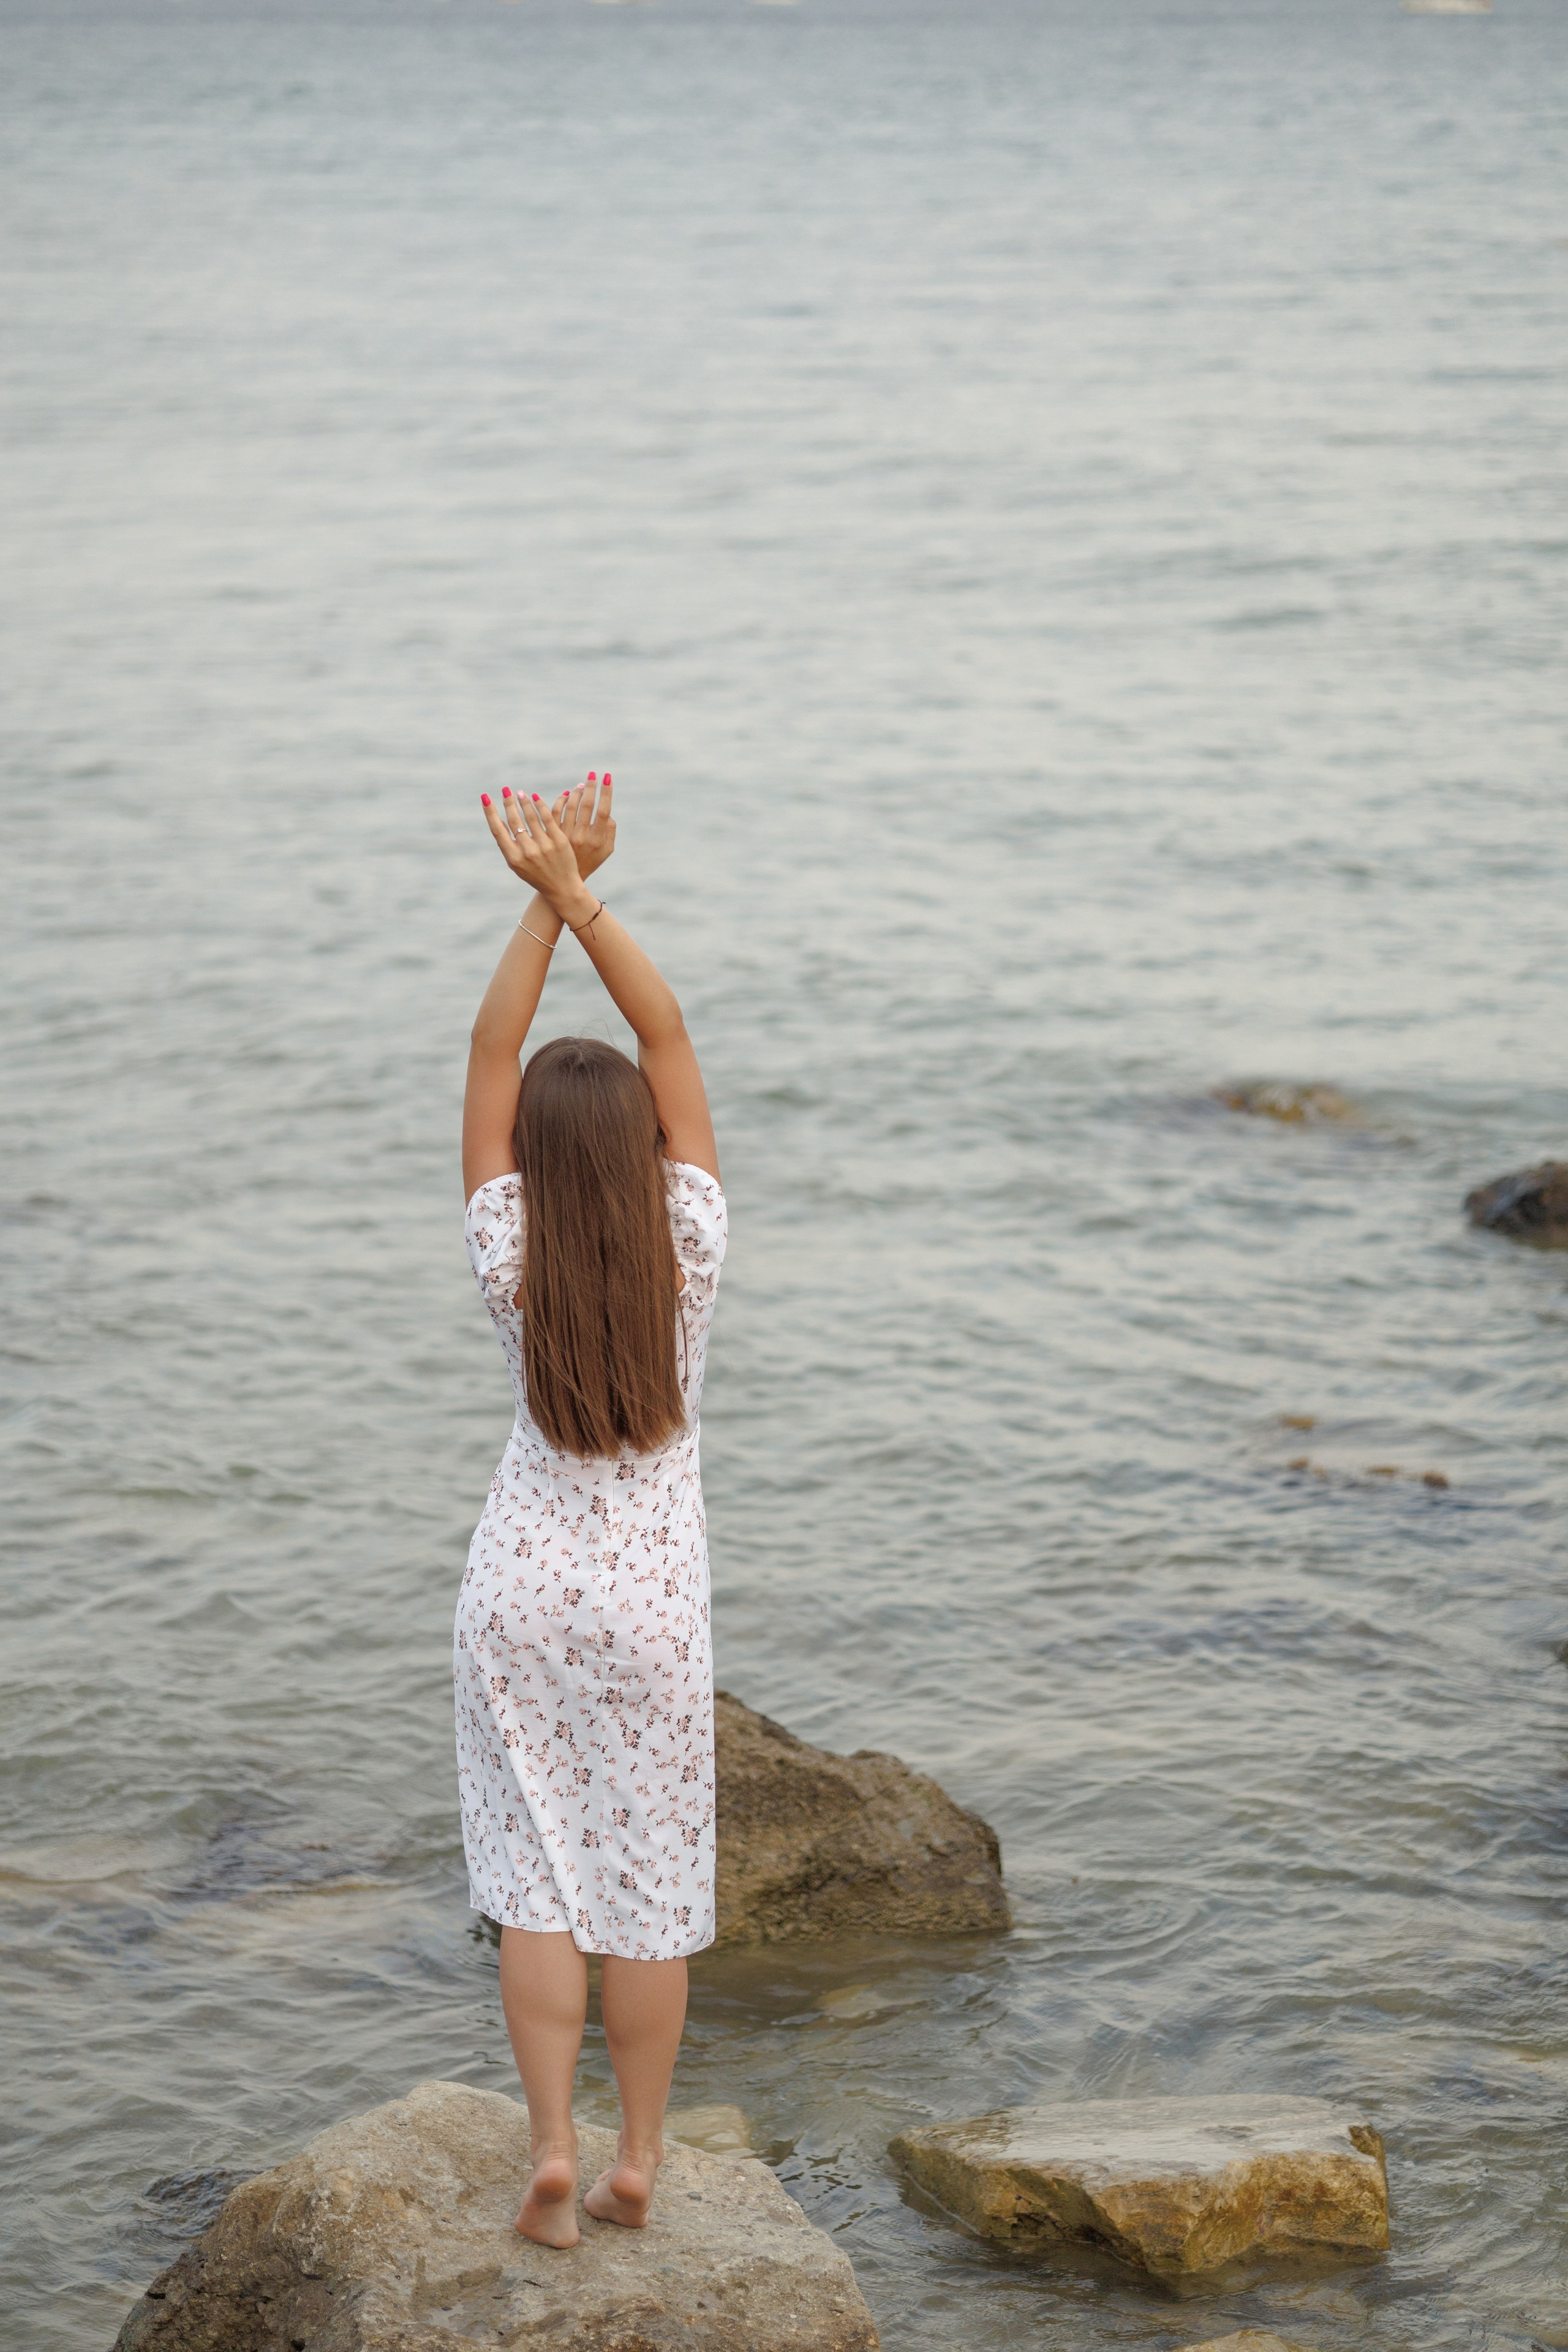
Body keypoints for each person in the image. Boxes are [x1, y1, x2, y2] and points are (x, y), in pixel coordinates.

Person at [456, 774, 726, 2250]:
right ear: (638, 1160)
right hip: (651, 1601)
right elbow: (668, 1036)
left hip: (517, 1585)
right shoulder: (687, 1241)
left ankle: (547, 2151)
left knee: (533, 1874)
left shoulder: (507, 1252)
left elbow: (493, 1052)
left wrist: (529, 907)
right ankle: (634, 2157)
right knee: (648, 1885)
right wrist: (584, 895)